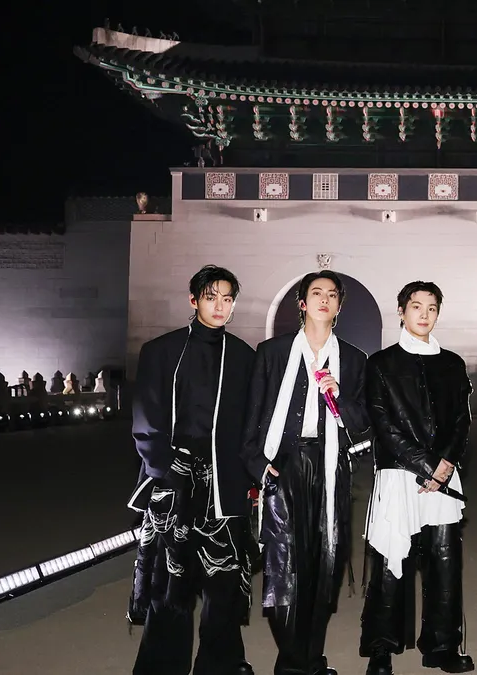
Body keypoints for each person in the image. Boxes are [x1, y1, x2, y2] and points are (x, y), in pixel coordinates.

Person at [127, 265, 257, 675]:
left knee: (223, 582)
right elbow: (145, 417)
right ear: (193, 300)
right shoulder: (161, 350)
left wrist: (250, 474)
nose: (219, 306)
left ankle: (221, 665)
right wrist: (165, 468)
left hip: (225, 481)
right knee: (171, 584)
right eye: (211, 297)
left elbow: (251, 422)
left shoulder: (243, 356)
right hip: (174, 479)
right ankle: (162, 666)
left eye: (227, 299)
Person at [243, 270, 371, 675]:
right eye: (316, 293)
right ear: (302, 303)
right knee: (284, 565)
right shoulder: (273, 352)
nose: (324, 299)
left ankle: (311, 659)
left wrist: (340, 395)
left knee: (324, 565)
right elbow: (252, 416)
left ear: (339, 306)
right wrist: (257, 465)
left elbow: (361, 424)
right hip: (283, 464)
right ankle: (293, 662)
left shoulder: (353, 359)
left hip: (330, 466)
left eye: (332, 295)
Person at [359, 281, 475, 675]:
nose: (424, 314)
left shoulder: (452, 363)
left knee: (445, 562)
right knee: (391, 561)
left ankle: (441, 646)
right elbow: (382, 422)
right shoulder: (381, 363)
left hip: (445, 475)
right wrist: (427, 465)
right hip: (399, 472)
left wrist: (446, 465)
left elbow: (462, 420)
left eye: (431, 307)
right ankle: (381, 648)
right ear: (401, 311)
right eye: (416, 306)